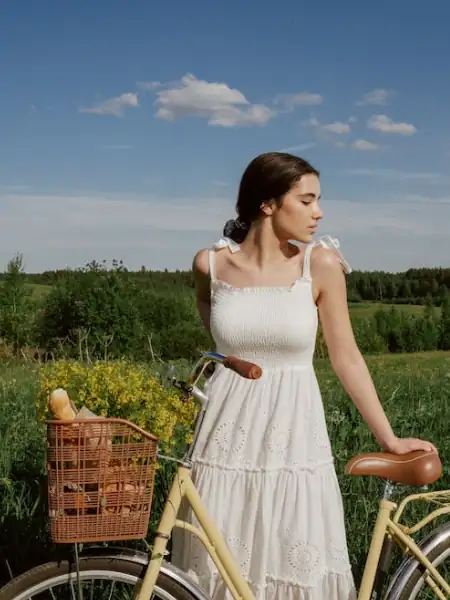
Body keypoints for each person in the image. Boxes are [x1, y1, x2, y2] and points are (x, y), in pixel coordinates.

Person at [171, 152, 437, 600]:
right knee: (220, 558)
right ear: (268, 204)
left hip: (294, 430)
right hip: (224, 432)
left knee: (291, 549)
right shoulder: (210, 265)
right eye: (307, 199)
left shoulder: (321, 265)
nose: (319, 211)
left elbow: (346, 357)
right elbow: (213, 322)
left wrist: (389, 439)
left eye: (319, 200)